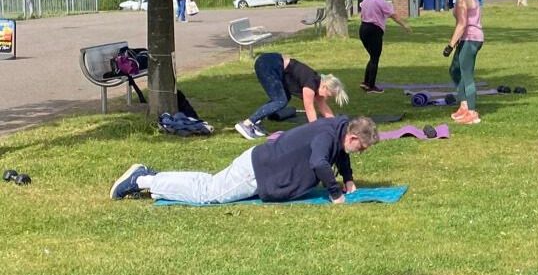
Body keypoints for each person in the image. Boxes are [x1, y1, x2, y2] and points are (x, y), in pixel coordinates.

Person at [110, 115, 379, 205]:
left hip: (257, 162)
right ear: (353, 137)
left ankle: (152, 176)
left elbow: (340, 155)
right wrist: (336, 195)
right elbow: (319, 162)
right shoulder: (326, 136)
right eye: (362, 148)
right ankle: (141, 179)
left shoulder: (339, 129)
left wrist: (349, 180)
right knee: (208, 193)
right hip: (257, 172)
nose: (360, 152)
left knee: (208, 182)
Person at [235, 54, 348, 140]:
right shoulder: (311, 84)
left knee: (284, 98)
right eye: (329, 95)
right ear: (325, 87)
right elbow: (309, 109)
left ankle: (256, 122)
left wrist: (335, 125)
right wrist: (315, 130)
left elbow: (324, 108)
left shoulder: (318, 84)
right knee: (280, 100)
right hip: (267, 64)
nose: (327, 98)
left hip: (271, 63)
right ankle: (246, 124)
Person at [442, 0, 483, 124]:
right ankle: (464, 105)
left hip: (472, 38)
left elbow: (462, 23)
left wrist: (450, 45)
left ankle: (472, 113)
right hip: (466, 38)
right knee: (454, 70)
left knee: (467, 74)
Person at [358, 0, 411, 93]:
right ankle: (371, 86)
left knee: (372, 56)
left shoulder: (367, 0)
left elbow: (362, 13)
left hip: (363, 28)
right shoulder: (381, 2)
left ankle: (366, 82)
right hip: (374, 30)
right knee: (375, 58)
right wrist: (405, 25)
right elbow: (394, 16)